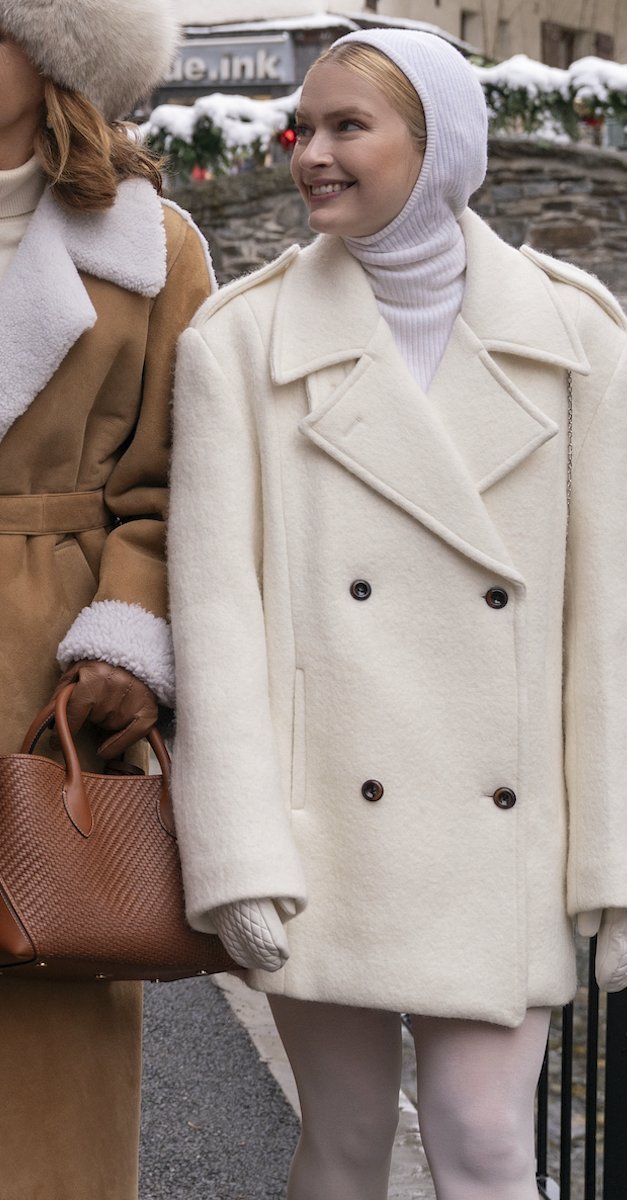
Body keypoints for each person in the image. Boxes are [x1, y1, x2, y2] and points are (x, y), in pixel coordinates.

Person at [169, 28, 627, 1200]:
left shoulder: (577, 337)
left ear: (437, 144)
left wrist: (619, 872)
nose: (312, 154)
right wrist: (238, 856)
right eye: (305, 127)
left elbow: (607, 635)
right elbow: (219, 620)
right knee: (342, 1147)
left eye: (349, 126)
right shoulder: (239, 342)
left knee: (484, 1147)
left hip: (510, 843)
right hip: (324, 831)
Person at [0, 2, 215, 1197]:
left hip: (47, 675)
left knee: (47, 998)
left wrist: (125, 644)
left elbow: (178, 484)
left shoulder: (153, 247)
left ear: (61, 62)